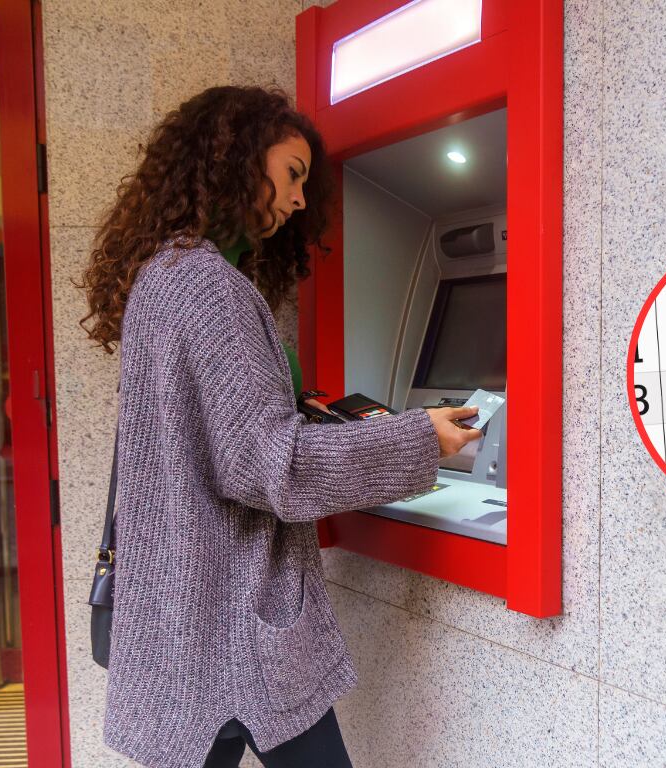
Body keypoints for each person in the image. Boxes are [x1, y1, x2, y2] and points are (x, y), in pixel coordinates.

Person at [74, 85, 483, 768]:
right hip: (234, 623)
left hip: (189, 617)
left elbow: (225, 441)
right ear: (236, 160)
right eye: (292, 174)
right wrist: (419, 438)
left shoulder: (164, 275)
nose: (298, 200)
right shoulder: (208, 286)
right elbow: (274, 467)